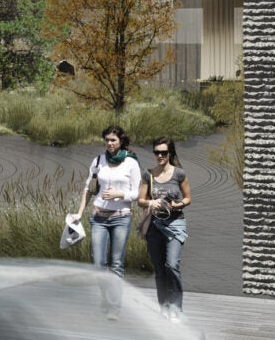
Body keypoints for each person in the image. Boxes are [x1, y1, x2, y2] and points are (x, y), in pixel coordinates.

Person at [75, 126, 142, 290]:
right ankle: (107, 299)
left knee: (117, 264)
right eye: (107, 140)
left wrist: (119, 194)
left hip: (121, 218)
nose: (109, 143)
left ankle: (113, 306)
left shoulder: (131, 163)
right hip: (98, 218)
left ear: (121, 141)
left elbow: (139, 193)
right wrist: (79, 213)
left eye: (113, 140)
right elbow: (88, 189)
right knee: (98, 263)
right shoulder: (98, 161)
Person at [141, 137, 191, 319]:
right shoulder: (148, 175)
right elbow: (140, 200)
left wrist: (176, 205)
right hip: (155, 226)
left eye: (164, 152)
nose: (160, 156)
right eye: (157, 152)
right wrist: (151, 202)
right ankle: (164, 306)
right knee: (160, 270)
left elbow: (188, 198)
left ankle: (176, 307)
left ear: (170, 153)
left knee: (172, 265)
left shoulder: (179, 174)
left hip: (175, 224)